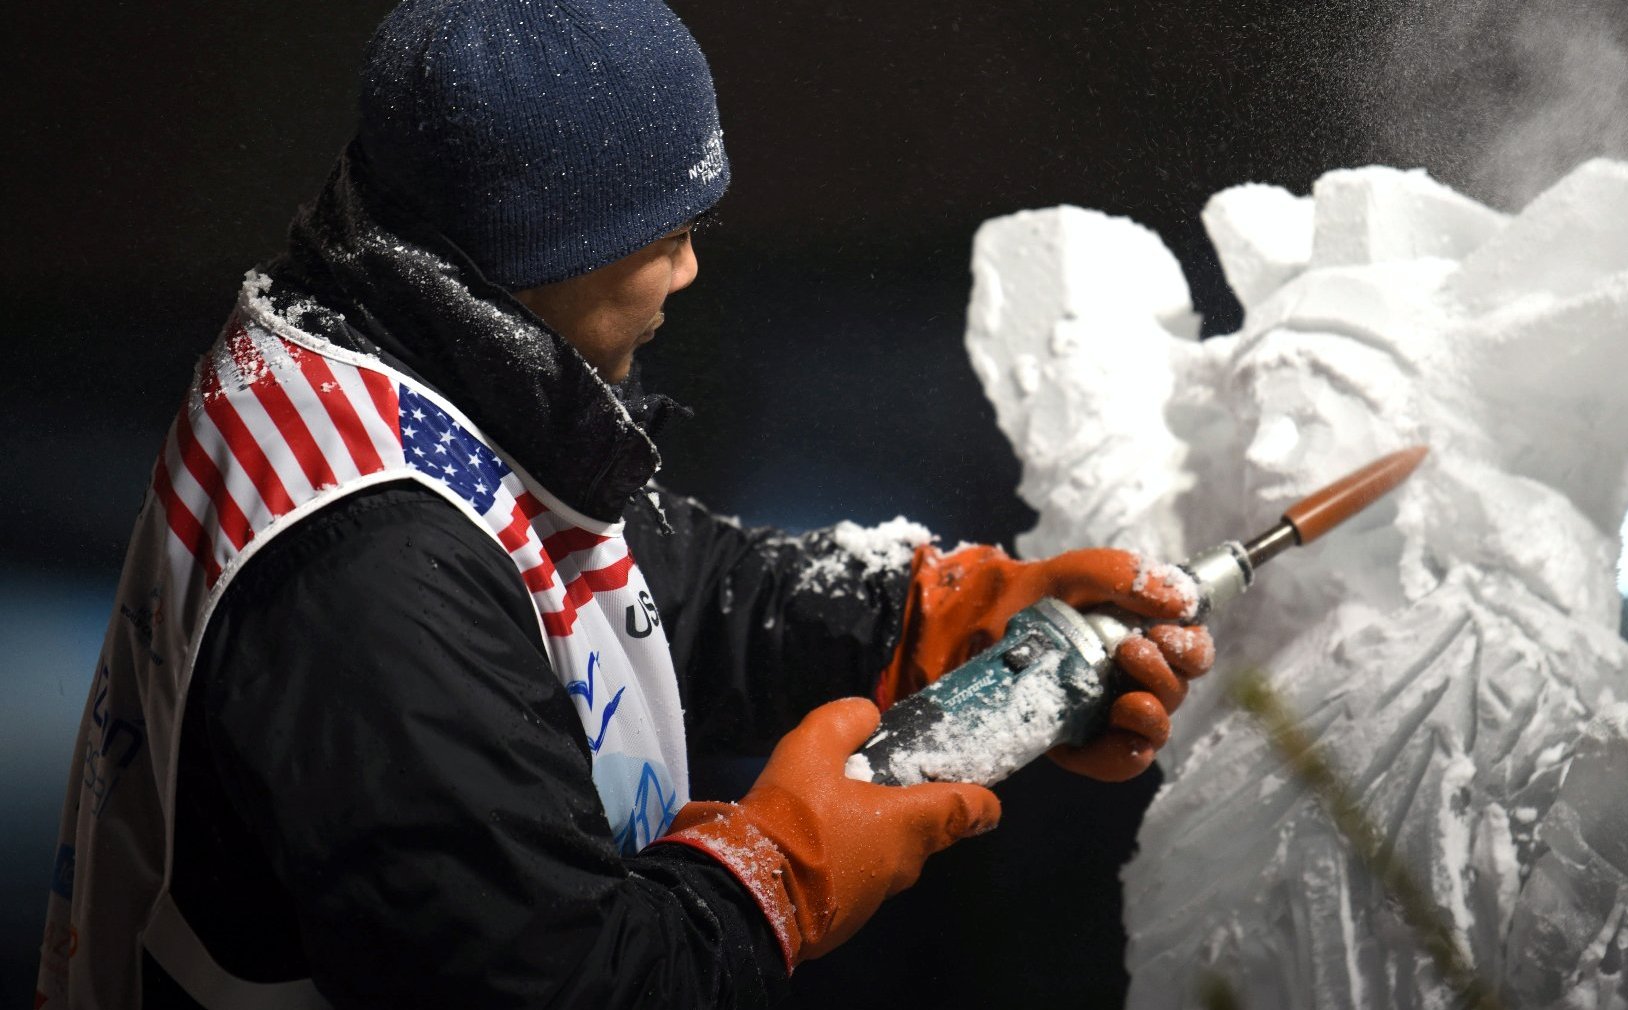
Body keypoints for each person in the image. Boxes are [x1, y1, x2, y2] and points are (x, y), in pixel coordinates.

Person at [36, 2, 1215, 1007]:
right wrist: (771, 882)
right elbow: (544, 982)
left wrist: (924, 615)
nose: (690, 269)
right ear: (531, 244)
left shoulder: (406, 349)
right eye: (662, 236)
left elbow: (621, 575)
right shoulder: (370, 579)